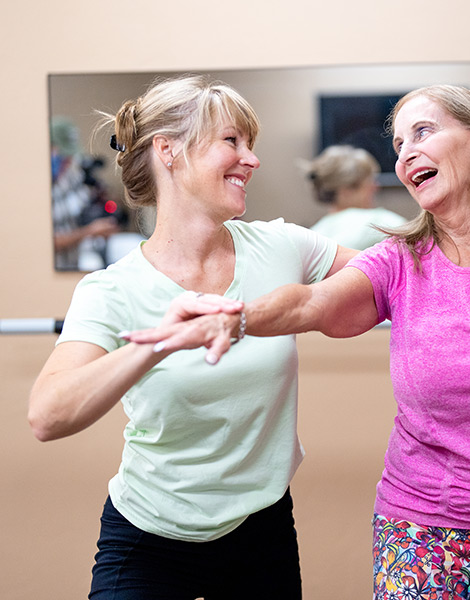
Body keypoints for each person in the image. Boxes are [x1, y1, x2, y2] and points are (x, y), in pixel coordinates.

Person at [124, 84, 470, 599]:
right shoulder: (399, 260)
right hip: (421, 535)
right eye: (399, 145)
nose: (406, 155)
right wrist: (237, 316)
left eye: (422, 132)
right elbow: (311, 303)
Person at [29, 75, 357, 600]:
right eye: (232, 141)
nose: (251, 159)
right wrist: (158, 342)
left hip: (261, 529)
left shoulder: (283, 247)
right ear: (169, 151)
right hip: (148, 537)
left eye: (250, 145)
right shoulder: (111, 290)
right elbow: (47, 415)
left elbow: (392, 276)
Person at [304, 144, 407, 250]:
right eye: (370, 182)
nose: (376, 187)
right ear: (346, 190)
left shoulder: (312, 235)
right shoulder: (379, 222)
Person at [50, 116, 120, 270]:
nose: (68, 161)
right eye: (62, 155)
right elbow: (46, 243)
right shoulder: (38, 190)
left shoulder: (72, 181)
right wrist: (89, 232)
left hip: (74, 263)